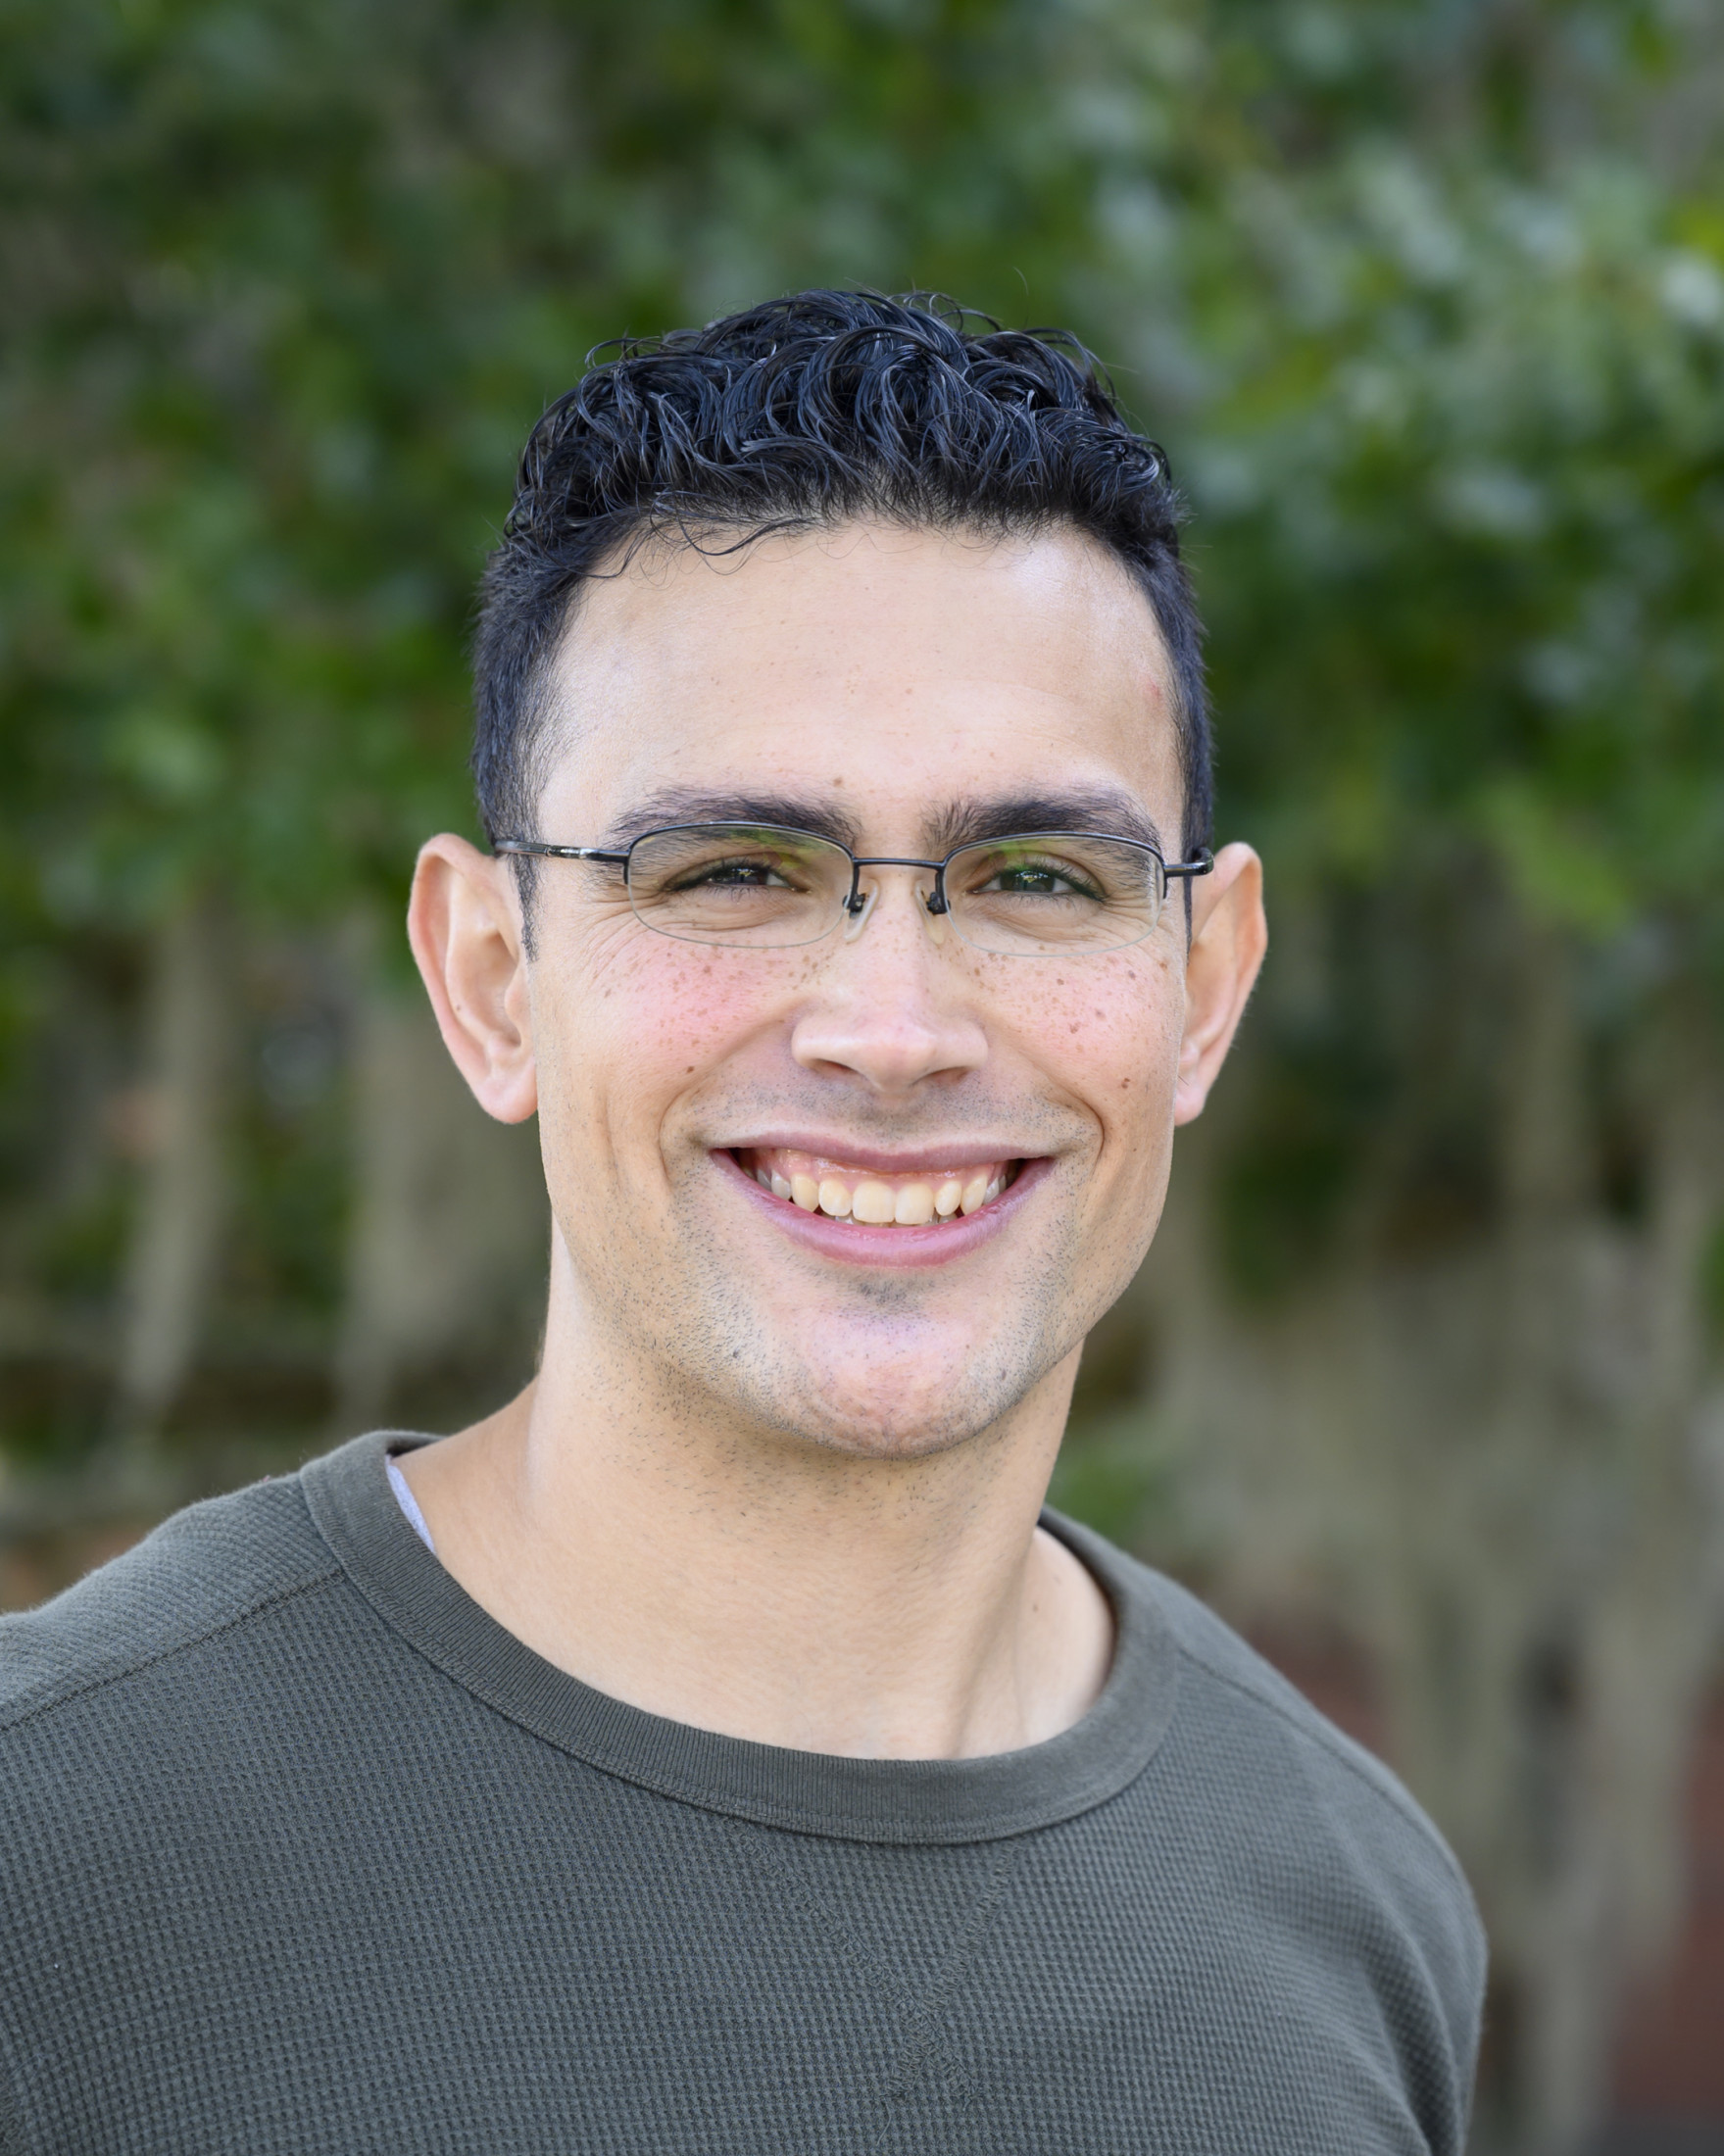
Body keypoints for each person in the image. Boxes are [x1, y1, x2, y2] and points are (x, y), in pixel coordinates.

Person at [1, 291, 1483, 2152]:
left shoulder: (1350, 1896)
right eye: (728, 872)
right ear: (491, 979)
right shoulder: (52, 1849)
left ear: (1204, 981)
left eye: (1033, 876)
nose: (891, 1032)